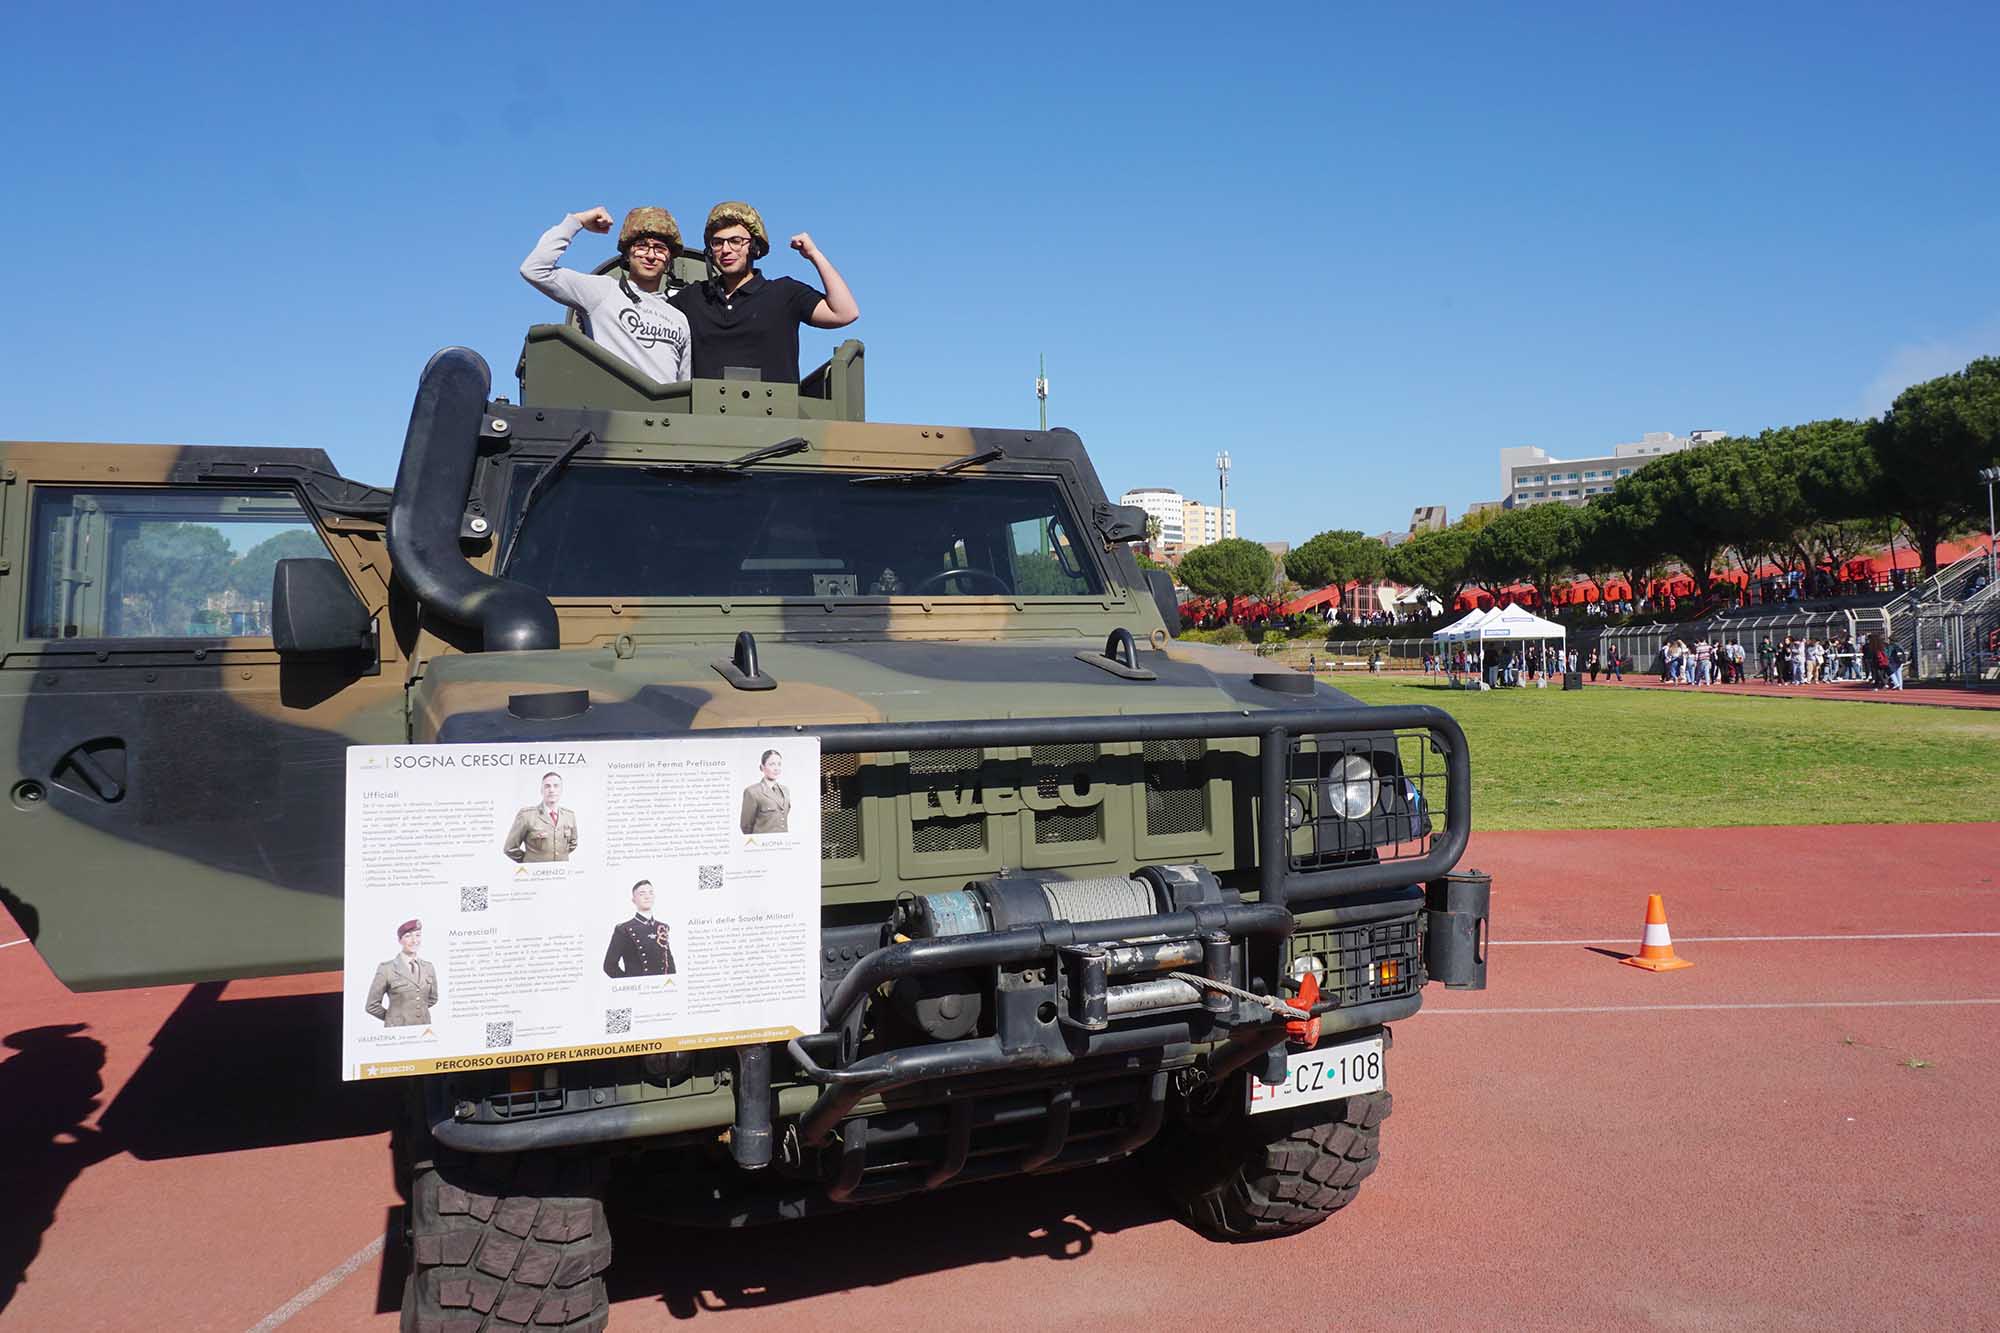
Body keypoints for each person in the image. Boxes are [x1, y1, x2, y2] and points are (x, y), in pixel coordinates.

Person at [672, 201, 859, 383]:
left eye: (736, 241)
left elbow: (845, 313)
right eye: (717, 243)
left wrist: (814, 254)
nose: (726, 250)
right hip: (705, 413)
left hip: (774, 412)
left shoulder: (784, 294)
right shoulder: (693, 297)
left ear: (754, 247)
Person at [521, 206, 692, 384]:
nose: (650, 255)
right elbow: (534, 270)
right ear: (627, 254)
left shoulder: (679, 319)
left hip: (665, 411)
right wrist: (577, 221)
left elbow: (683, 385)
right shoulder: (602, 292)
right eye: (641, 246)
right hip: (614, 406)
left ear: (669, 259)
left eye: (660, 248)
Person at [364, 920, 438, 1028]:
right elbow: (371, 1006)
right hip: (398, 1031)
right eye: (408, 936)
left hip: (424, 1028)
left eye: (418, 935)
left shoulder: (429, 967)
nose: (414, 940)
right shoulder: (386, 969)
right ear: (400, 940)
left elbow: (433, 998)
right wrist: (393, 1018)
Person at [603, 881, 677, 978]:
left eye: (651, 893)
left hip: (662, 987)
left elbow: (669, 963)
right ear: (634, 900)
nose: (647, 897)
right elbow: (609, 966)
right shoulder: (623, 929)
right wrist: (630, 983)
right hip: (639, 989)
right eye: (642, 894)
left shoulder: (662, 927)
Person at [503, 772, 579, 863]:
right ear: (541, 790)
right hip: (536, 875)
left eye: (556, 786)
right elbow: (510, 848)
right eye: (547, 786)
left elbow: (572, 844)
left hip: (562, 873)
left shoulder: (569, 816)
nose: (551, 790)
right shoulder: (527, 816)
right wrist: (529, 861)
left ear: (561, 790)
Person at [740, 749, 791, 834]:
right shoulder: (752, 792)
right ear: (762, 767)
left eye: (779, 764)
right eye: (772, 764)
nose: (776, 768)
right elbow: (746, 826)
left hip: (783, 843)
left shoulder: (785, 790)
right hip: (763, 844)